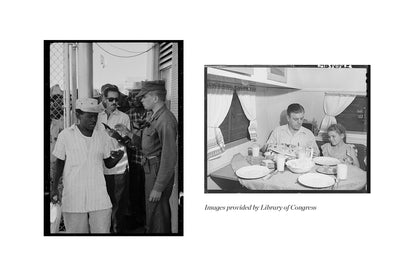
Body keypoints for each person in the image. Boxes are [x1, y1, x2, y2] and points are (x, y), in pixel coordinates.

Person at [51, 98, 124, 233]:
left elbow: (108, 163)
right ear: (78, 115)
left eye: (95, 116)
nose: (93, 119)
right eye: (89, 116)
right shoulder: (65, 136)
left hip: (99, 198)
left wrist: (118, 157)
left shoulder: (102, 136)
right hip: (74, 197)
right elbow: (59, 163)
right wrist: (54, 188)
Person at [115, 80, 177, 234]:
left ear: (155, 98)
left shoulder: (165, 120)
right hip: (150, 168)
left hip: (157, 170)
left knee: (158, 214)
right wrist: (128, 133)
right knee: (152, 211)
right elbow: (147, 144)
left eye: (144, 97)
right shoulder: (154, 116)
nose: (141, 100)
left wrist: (158, 187)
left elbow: (169, 156)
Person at [96, 84, 131, 233]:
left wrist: (117, 135)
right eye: (110, 99)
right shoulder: (95, 116)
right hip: (98, 166)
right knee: (101, 204)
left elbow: (129, 142)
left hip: (118, 167)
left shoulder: (123, 117)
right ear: (103, 99)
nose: (114, 103)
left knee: (118, 206)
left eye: (116, 100)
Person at [125, 82, 148, 228]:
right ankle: (137, 218)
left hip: (146, 159)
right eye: (132, 96)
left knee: (145, 191)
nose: (134, 100)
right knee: (134, 191)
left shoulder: (150, 113)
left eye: (137, 96)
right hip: (133, 159)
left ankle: (145, 219)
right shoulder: (127, 115)